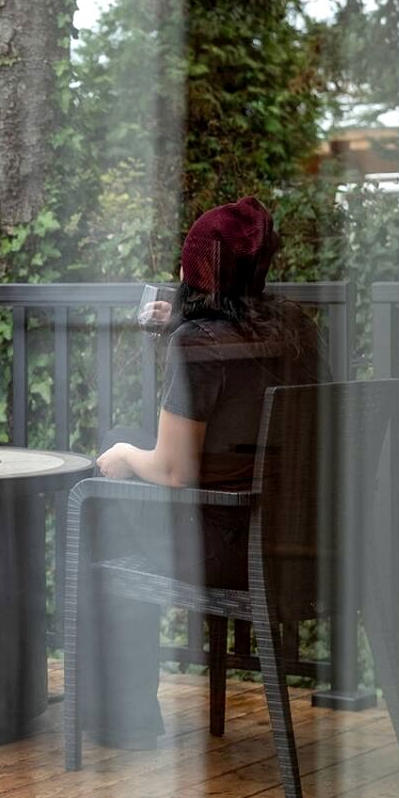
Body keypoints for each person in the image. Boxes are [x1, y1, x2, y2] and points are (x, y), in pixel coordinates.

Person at [80, 196, 325, 747]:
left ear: (197, 268)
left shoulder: (199, 344)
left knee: (97, 491)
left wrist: (119, 457)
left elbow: (172, 470)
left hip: (229, 546)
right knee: (127, 442)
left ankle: (125, 716)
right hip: (300, 539)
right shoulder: (297, 329)